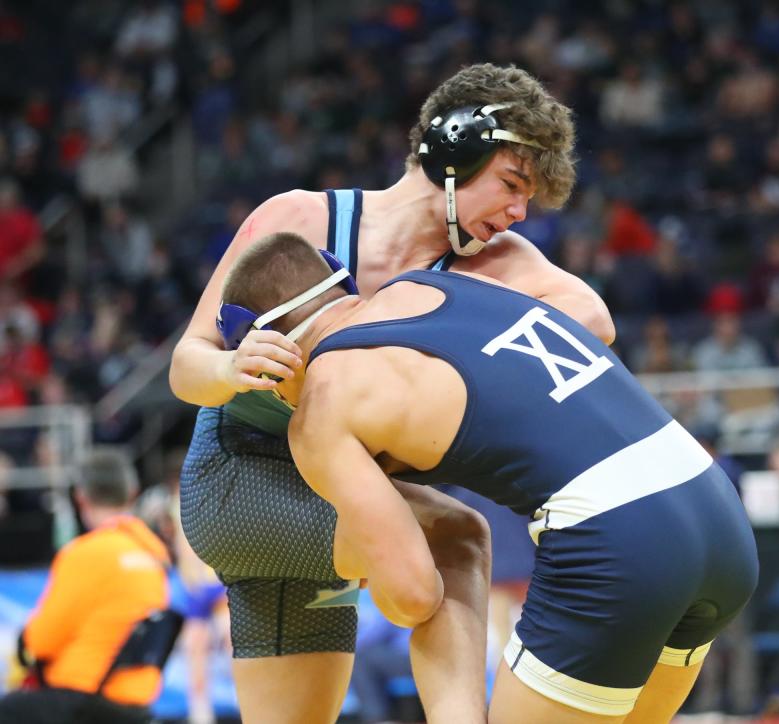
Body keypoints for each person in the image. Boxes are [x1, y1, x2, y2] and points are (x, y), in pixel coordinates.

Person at [169, 63, 614, 723]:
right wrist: (232, 370)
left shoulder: (494, 262)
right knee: (457, 536)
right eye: (512, 186)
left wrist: (458, 341)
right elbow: (187, 365)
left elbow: (594, 323)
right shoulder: (302, 219)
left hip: (341, 492)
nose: (520, 213)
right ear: (454, 151)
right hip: (245, 474)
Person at [223, 232, 758, 724]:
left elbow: (412, 594)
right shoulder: (438, 282)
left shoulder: (320, 408)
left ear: (267, 350)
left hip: (621, 539)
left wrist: (372, 568)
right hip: (716, 509)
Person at [0, 449, 170, 724]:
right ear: (133, 493)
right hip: (137, 700)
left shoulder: (84, 553)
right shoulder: (155, 556)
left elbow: (41, 640)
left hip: (88, 698)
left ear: (81, 497)